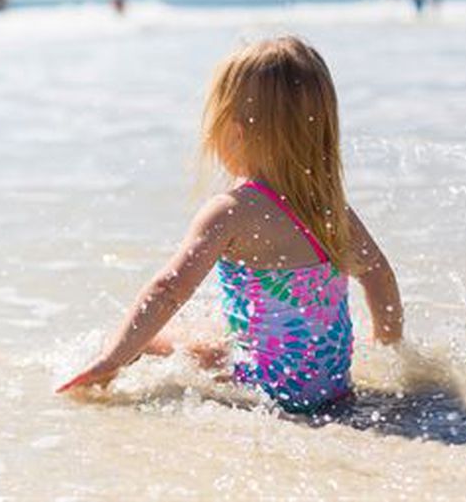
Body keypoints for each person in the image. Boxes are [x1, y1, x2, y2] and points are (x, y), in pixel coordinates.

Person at [57, 36, 404, 414]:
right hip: (332, 390)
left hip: (267, 394)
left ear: (235, 132)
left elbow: (169, 289)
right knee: (216, 332)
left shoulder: (231, 212)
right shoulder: (332, 210)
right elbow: (379, 275)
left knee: (149, 342)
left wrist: (113, 360)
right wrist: (390, 353)